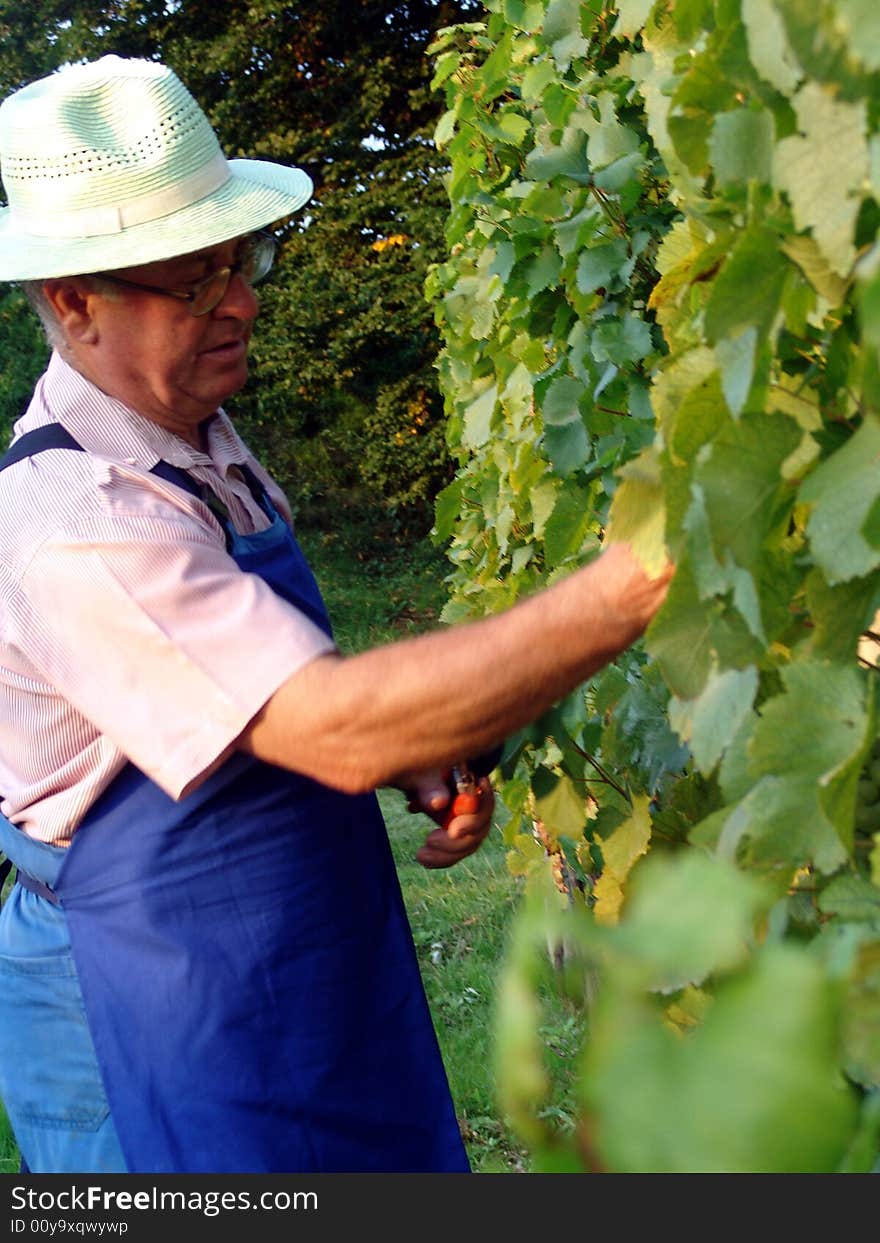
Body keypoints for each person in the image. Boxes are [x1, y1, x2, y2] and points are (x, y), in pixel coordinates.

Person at [0, 55, 673, 1175]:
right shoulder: (78, 519)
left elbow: (251, 681)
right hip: (146, 1006)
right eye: (197, 279)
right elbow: (331, 724)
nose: (247, 301)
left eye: (244, 260)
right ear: (76, 302)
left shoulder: (192, 439)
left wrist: (414, 755)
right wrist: (635, 579)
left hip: (288, 953)